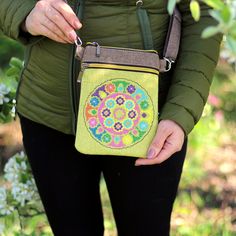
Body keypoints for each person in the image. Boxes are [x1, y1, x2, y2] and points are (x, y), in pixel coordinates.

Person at [0, 0, 222, 235]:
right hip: (50, 112)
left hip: (148, 117)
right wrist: (23, 11)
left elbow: (206, 10)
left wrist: (181, 110)